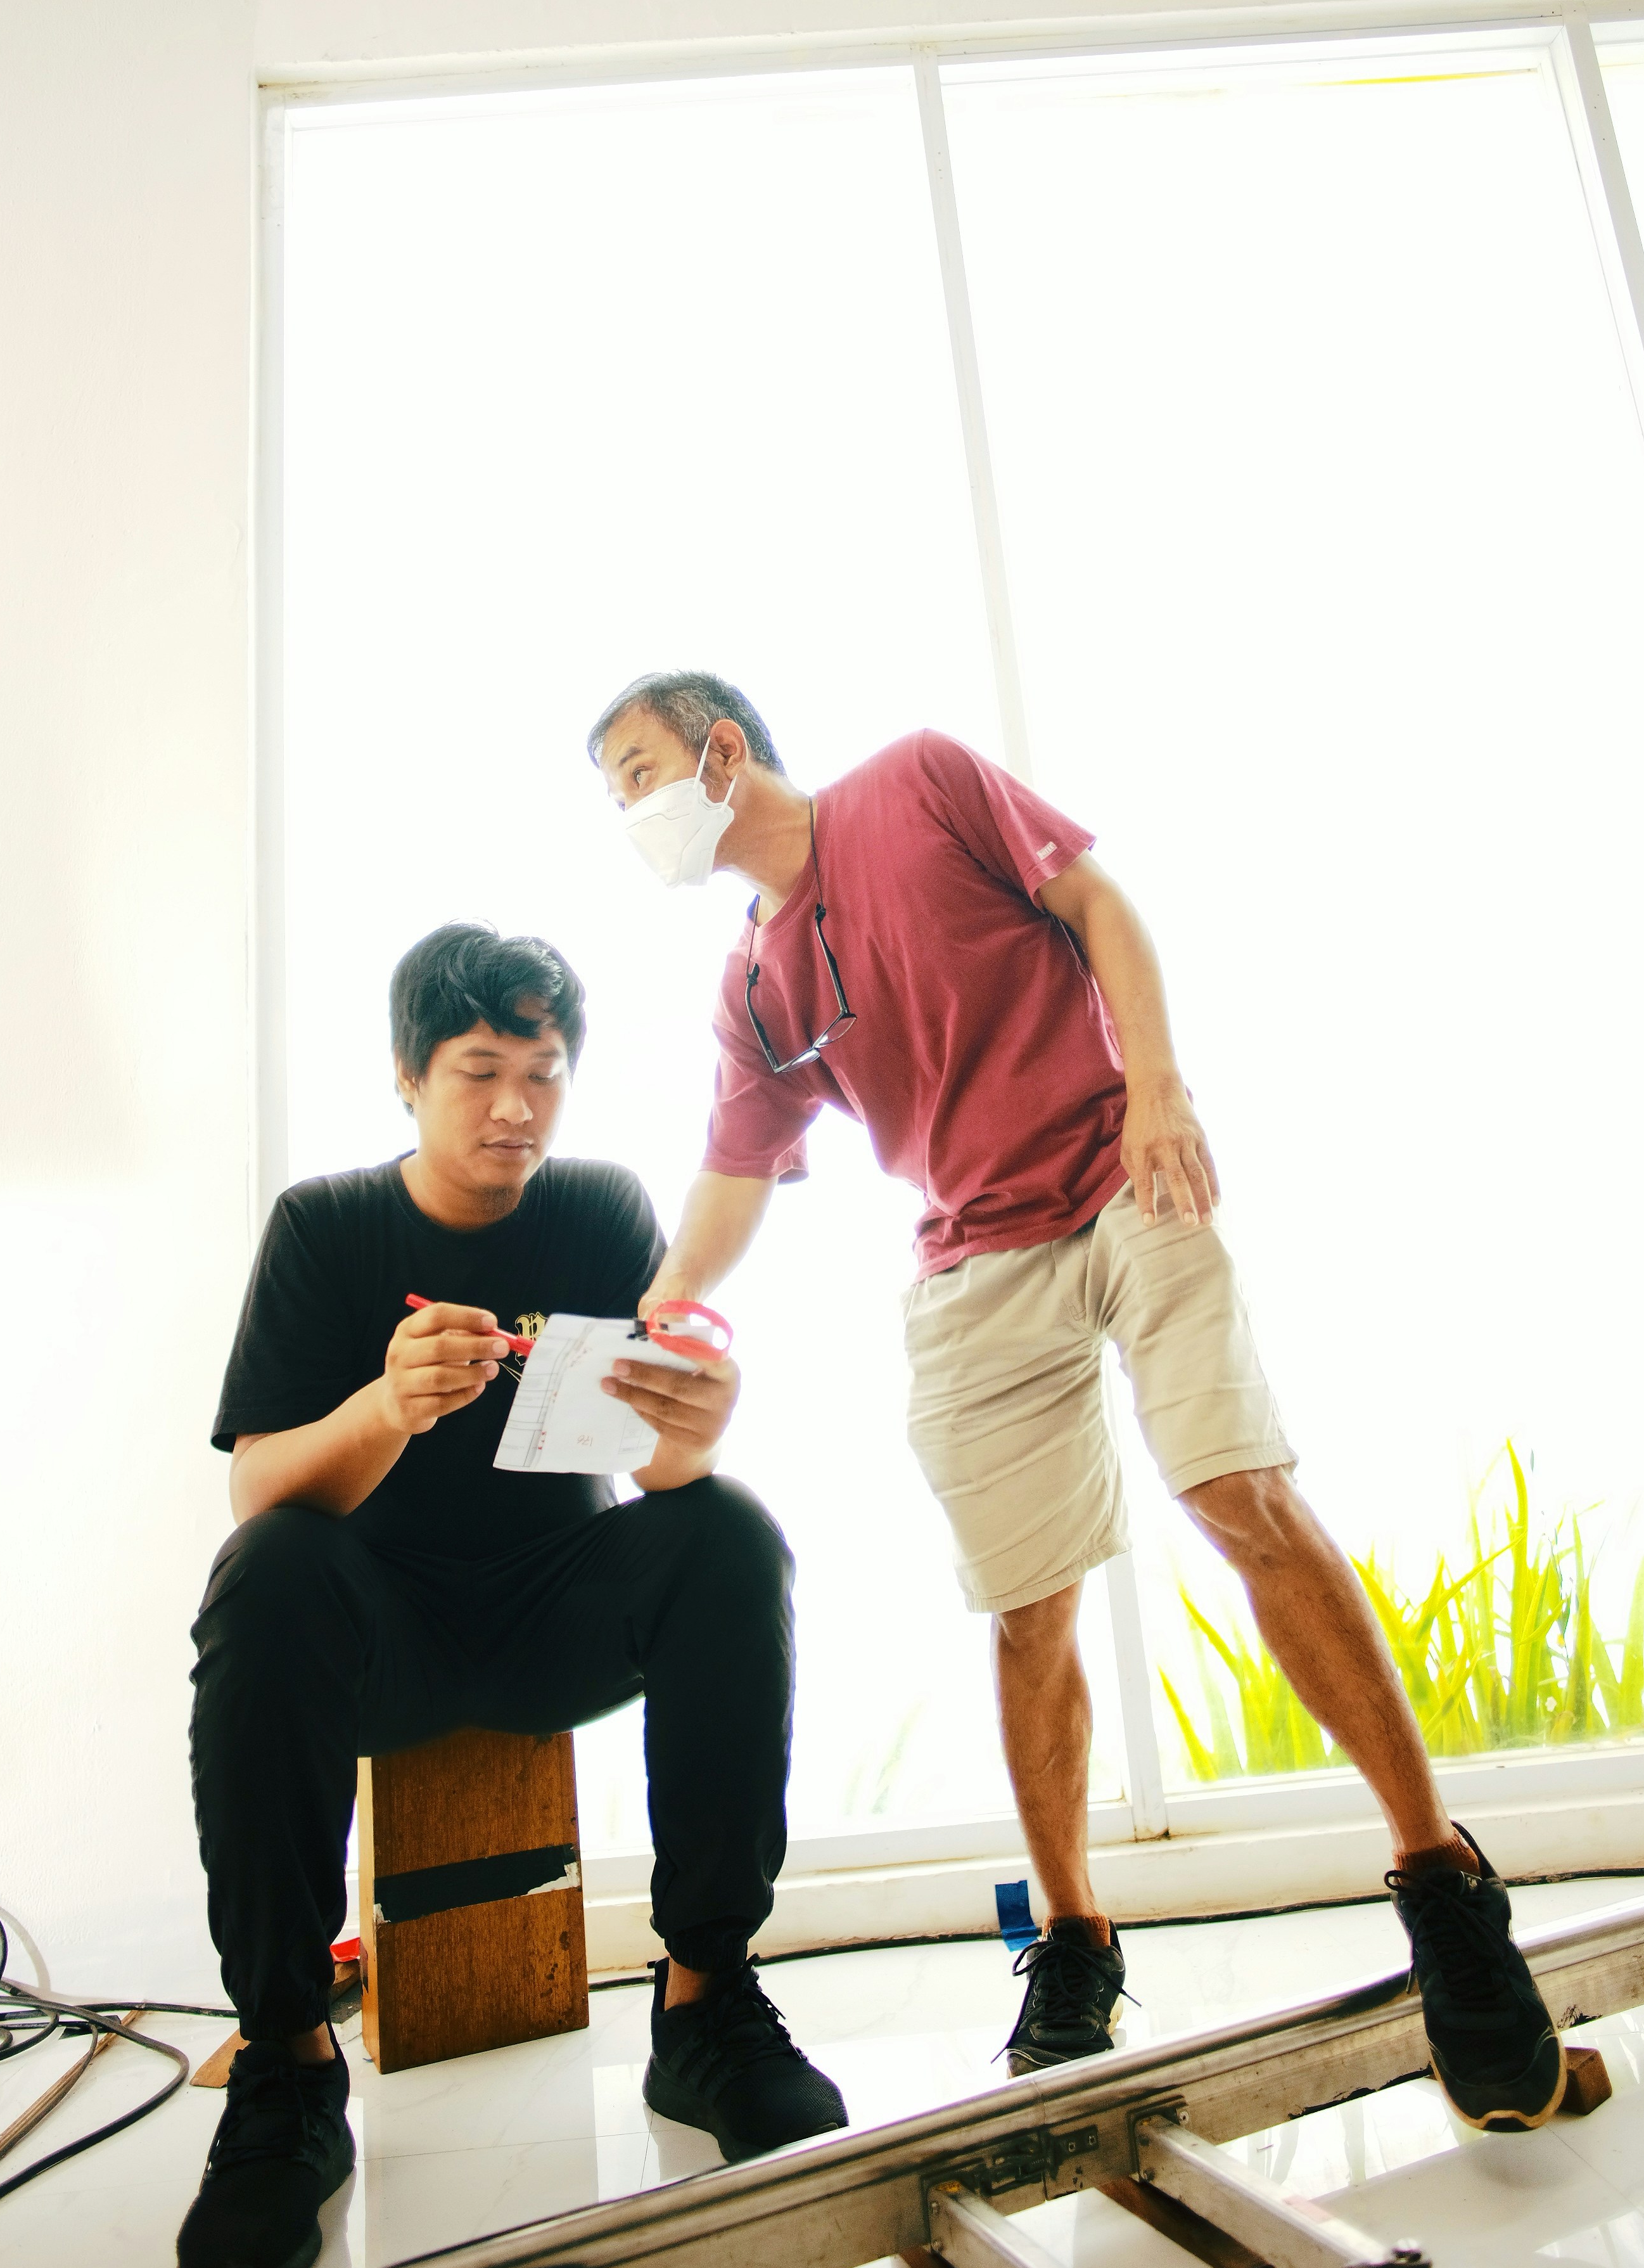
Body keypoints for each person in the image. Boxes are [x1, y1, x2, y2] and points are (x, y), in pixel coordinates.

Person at [588, 670, 1565, 2136]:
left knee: (1238, 1491)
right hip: (972, 1259)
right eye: (614, 793)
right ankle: (1073, 1939)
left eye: (638, 770)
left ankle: (1442, 1880)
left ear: (721, 750)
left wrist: (1159, 1083)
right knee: (1027, 1608)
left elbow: (1098, 903)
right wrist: (661, 1301)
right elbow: (736, 1173)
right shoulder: (753, 988)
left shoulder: (917, 781)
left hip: (1125, 1176)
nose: (632, 810)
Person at [177, 920, 846, 2268]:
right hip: (383, 1632)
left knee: (728, 1532)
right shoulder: (325, 1226)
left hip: (555, 1607)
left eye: (543, 1074)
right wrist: (386, 1406)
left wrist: (696, 1429)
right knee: (267, 1573)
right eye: (480, 1071)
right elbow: (257, 1493)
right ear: (408, 1076)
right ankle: (289, 2060)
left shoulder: (597, 1209)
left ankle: (705, 1999)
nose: (516, 1108)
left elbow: (656, 1468)